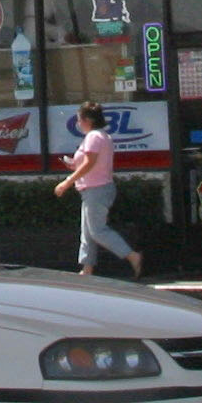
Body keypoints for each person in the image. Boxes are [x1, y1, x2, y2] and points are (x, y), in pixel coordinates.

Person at [54, 102, 142, 279]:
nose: (78, 123)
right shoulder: (101, 136)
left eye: (79, 120)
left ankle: (132, 256)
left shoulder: (93, 137)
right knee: (88, 233)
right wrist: (74, 165)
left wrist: (67, 182)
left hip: (96, 190)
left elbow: (90, 163)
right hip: (94, 189)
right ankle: (87, 270)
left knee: (97, 231)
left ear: (88, 120)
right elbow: (91, 164)